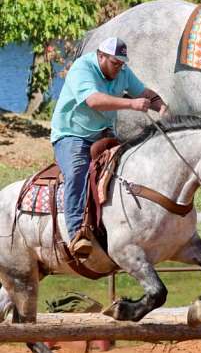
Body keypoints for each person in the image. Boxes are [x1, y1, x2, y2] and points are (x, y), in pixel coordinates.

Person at [50, 37, 168, 259]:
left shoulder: (122, 71)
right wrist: (131, 104)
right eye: (115, 63)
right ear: (100, 56)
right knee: (77, 172)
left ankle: (125, 225)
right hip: (72, 135)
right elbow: (94, 101)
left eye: (122, 63)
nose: (119, 68)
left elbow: (143, 93)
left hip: (104, 134)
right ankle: (76, 234)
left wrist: (161, 106)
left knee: (130, 167)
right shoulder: (81, 68)